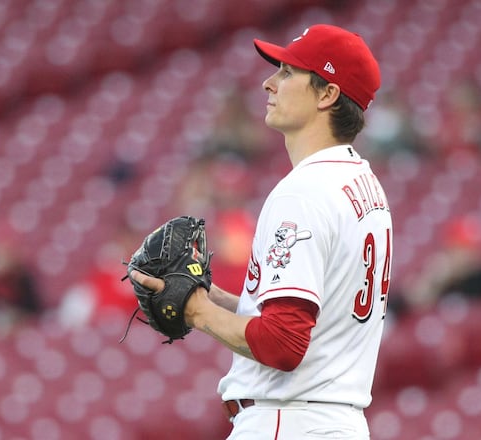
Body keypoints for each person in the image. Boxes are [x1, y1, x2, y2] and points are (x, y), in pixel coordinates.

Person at [129, 24, 393, 439]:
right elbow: (311, 323)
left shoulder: (303, 192)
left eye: (289, 73)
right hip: (334, 421)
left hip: (287, 421)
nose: (269, 83)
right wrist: (220, 299)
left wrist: (195, 309)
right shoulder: (364, 183)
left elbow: (283, 344)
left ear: (327, 95)